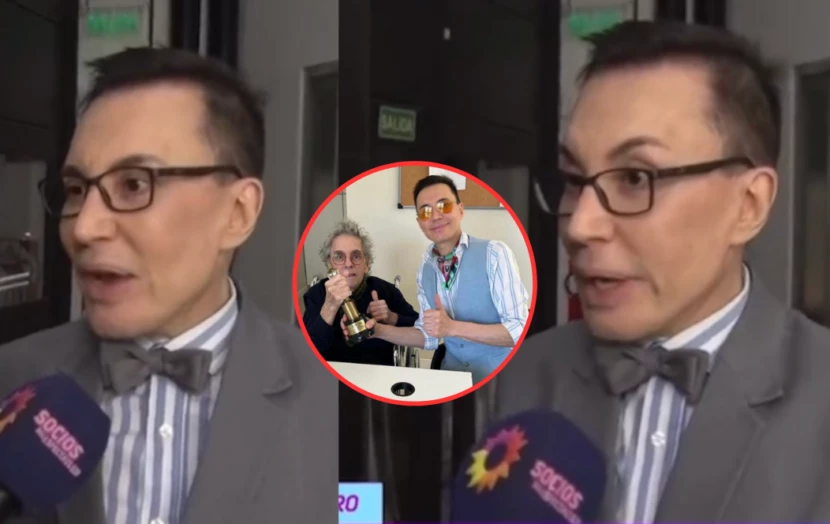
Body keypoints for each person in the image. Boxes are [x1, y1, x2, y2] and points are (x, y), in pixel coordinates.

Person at [496, 20, 830, 523]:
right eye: (573, 180)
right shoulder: (528, 375)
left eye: (635, 178)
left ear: (749, 204)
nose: (581, 226)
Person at [0, 48, 336, 524]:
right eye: (75, 190)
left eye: (134, 184)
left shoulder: (337, 399)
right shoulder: (13, 378)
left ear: (237, 213)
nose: (84, 227)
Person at [349, 175, 530, 383]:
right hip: (452, 377)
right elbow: (428, 336)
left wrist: (453, 328)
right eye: (426, 211)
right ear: (419, 222)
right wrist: (377, 330)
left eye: (444, 206)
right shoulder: (425, 269)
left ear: (460, 209)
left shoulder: (495, 254)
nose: (435, 216)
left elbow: (519, 329)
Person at [302, 219, 419, 365]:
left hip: (380, 371)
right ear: (330, 264)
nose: (348, 264)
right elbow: (306, 352)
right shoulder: (316, 294)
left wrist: (392, 317)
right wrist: (329, 306)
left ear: (366, 263)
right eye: (339, 257)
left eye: (356, 256)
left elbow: (420, 329)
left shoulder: (386, 291)